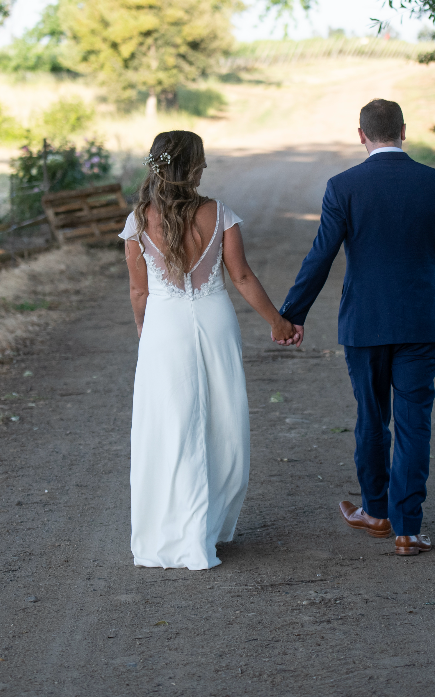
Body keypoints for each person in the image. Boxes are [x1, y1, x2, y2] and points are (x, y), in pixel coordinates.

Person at [277, 99, 435, 555]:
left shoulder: (343, 186)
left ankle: (376, 511)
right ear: (404, 130)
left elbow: (320, 255)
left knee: (371, 417)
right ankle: (408, 528)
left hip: (364, 322)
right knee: (413, 421)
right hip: (422, 319)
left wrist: (291, 314)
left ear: (361, 135)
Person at [120, 130, 298, 570]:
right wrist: (277, 322)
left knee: (169, 428)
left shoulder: (139, 221)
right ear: (195, 167)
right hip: (214, 321)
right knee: (222, 421)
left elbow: (139, 292)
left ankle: (175, 528)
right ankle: (209, 526)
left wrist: (147, 333)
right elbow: (240, 278)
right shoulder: (218, 214)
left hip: (165, 329)